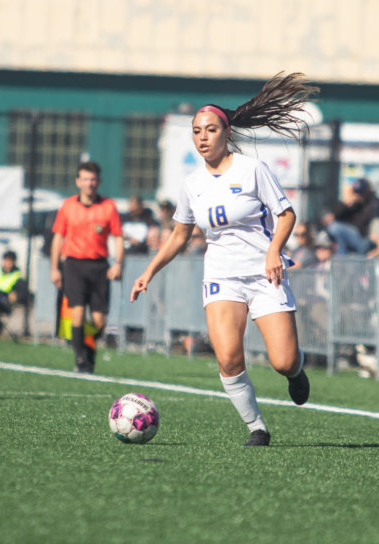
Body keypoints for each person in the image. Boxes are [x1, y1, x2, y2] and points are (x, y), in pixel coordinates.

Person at [130, 72, 316, 446]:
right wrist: (149, 271)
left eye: (211, 130)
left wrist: (274, 251)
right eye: (197, 131)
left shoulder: (252, 170)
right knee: (228, 359)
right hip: (221, 277)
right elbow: (180, 234)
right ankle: (257, 428)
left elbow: (286, 215)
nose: (203, 137)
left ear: (226, 133)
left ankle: (296, 372)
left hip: (264, 274)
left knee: (282, 360)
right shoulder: (192, 184)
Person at [50, 161, 123, 373]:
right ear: (78, 181)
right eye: (85, 179)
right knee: (78, 310)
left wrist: (118, 263)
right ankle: (80, 356)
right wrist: (54, 268)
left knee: (99, 320)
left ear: (98, 181)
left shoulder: (108, 206)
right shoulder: (68, 206)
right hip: (74, 264)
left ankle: (87, 347)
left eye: (93, 179)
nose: (89, 183)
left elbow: (118, 236)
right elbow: (58, 237)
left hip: (99, 266)